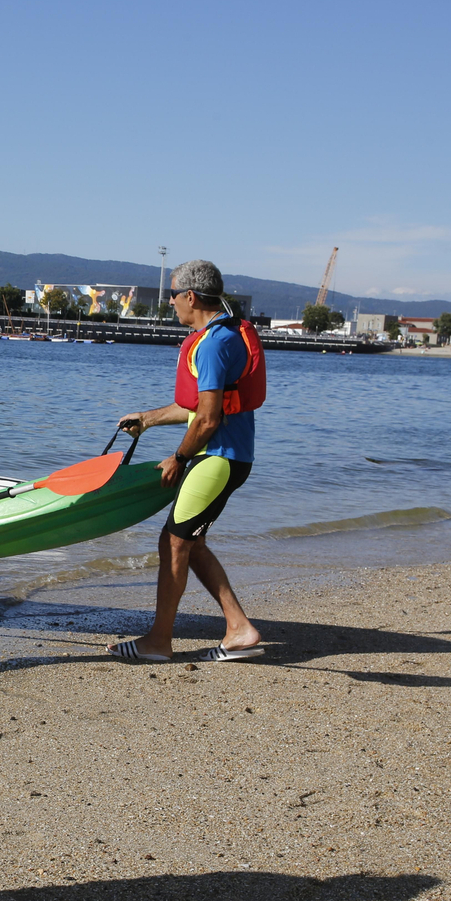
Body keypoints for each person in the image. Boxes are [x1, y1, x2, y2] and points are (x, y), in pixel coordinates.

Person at [108, 259, 265, 664]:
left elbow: (209, 419)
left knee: (174, 542)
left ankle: (159, 641)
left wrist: (178, 457)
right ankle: (240, 628)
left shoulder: (212, 344)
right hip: (228, 456)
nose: (172, 304)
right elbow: (194, 407)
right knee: (189, 543)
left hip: (217, 458)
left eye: (173, 296)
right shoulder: (225, 334)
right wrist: (147, 419)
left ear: (190, 296)